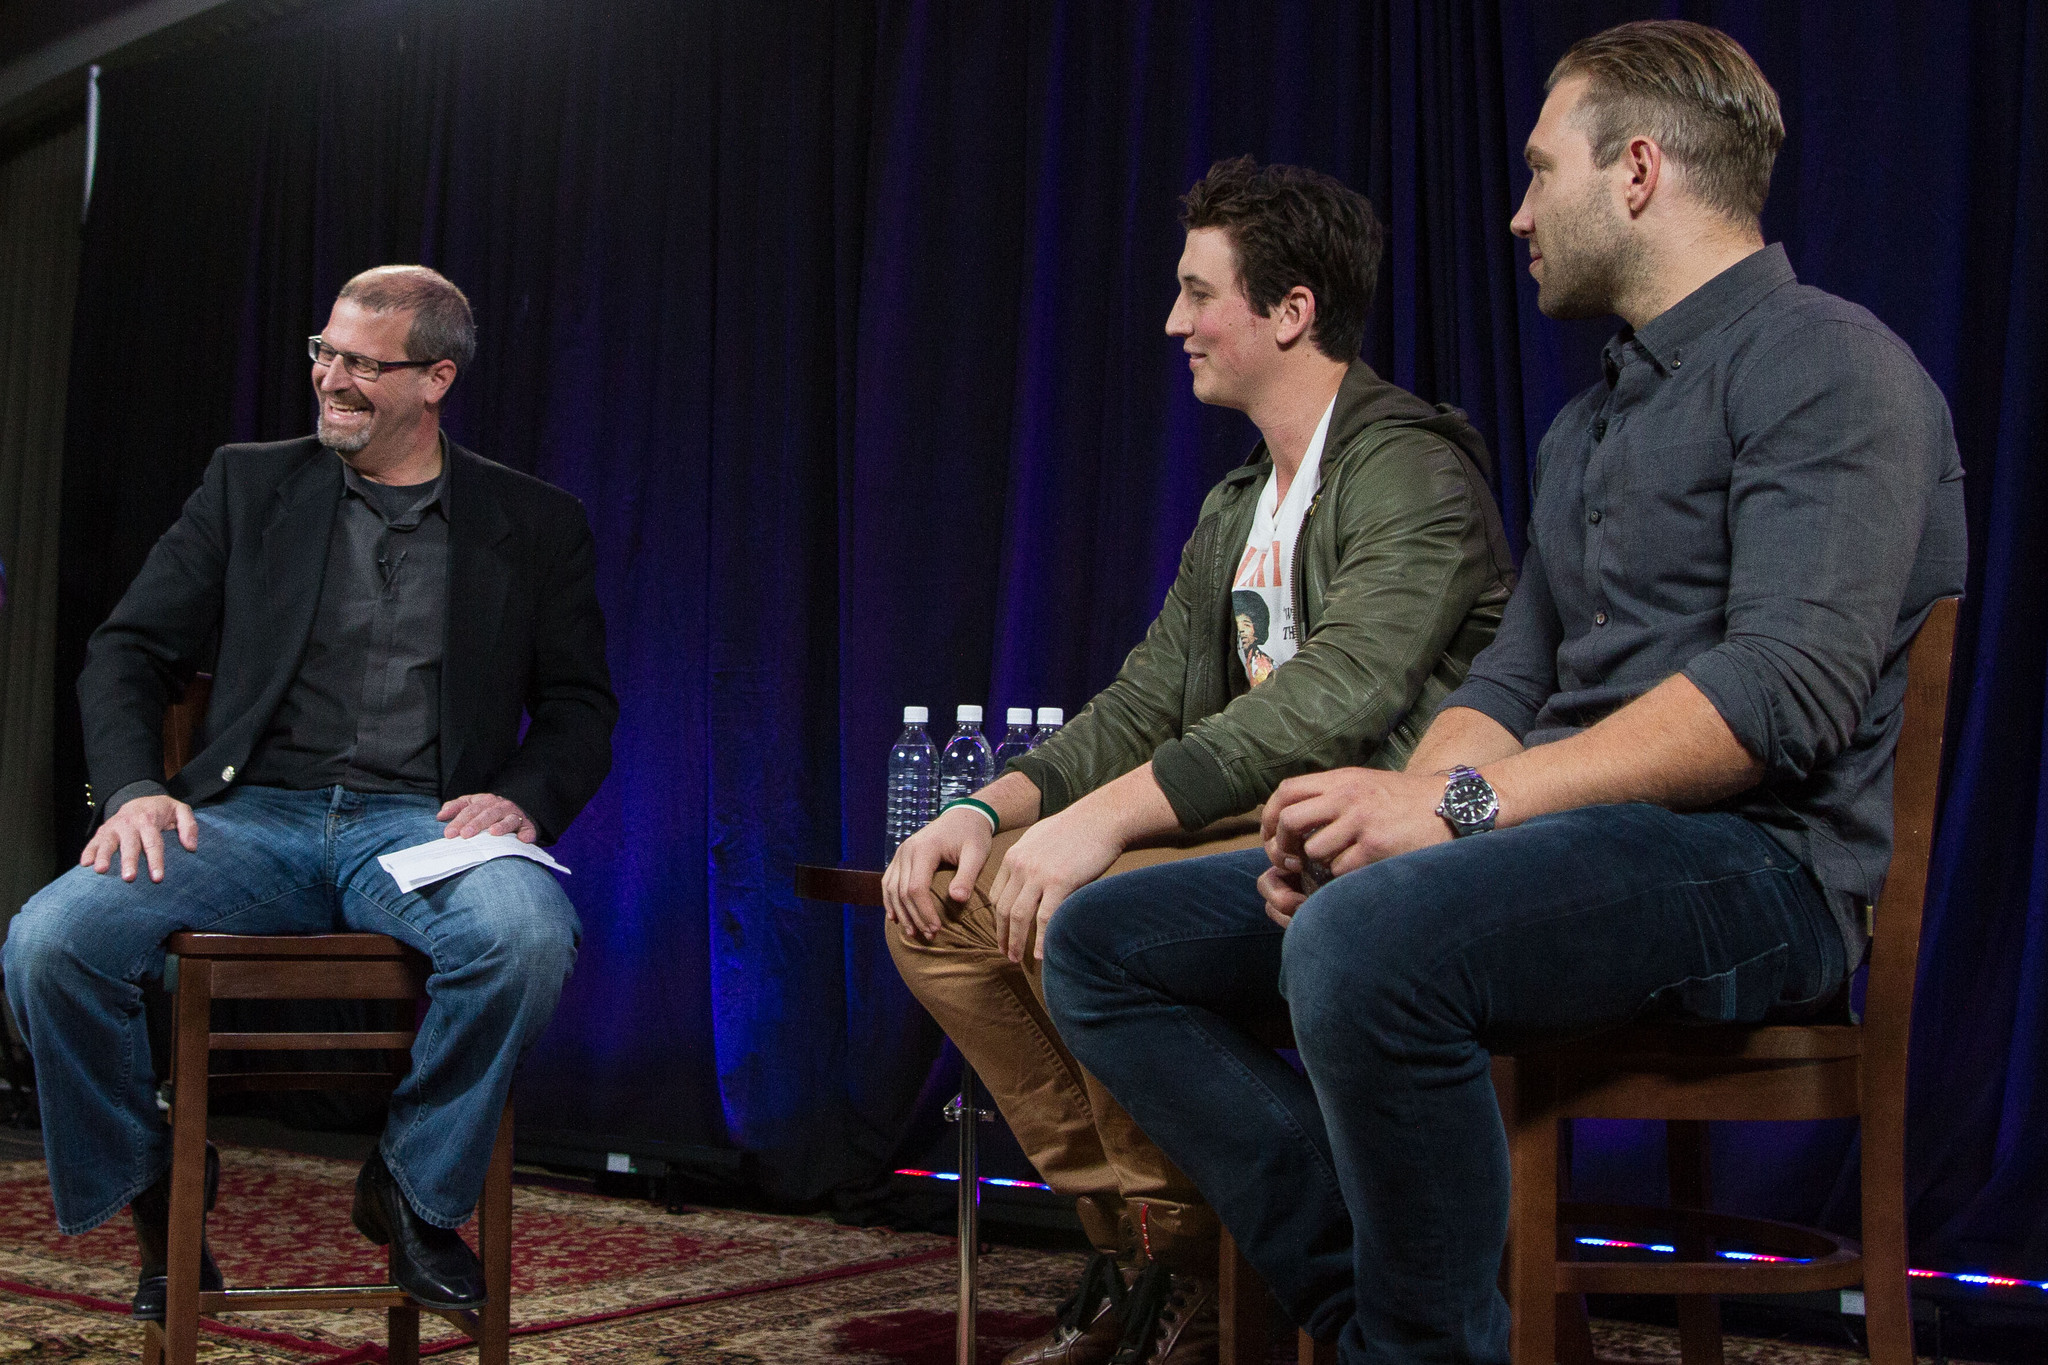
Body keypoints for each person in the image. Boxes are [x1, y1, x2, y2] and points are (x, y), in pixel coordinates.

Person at [1042, 20, 1968, 1363]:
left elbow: (1781, 694)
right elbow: (1516, 672)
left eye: (1543, 172)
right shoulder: (1586, 423)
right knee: (1104, 945)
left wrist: (1457, 810)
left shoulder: (1829, 367)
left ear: (1638, 171)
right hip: (1566, 849)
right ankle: (1388, 1316)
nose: (1519, 210)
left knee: (1365, 943)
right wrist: (1386, 812)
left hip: (1758, 870)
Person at [883, 158, 1515, 1365]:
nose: (1174, 322)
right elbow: (1140, 703)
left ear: (1290, 312)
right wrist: (989, 804)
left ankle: (1213, 1270)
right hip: (1244, 836)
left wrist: (1104, 825)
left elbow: (1338, 700)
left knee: (1086, 903)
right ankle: (1146, 1250)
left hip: (1364, 851)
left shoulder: (1409, 469)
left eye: (1196, 292)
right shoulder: (1238, 502)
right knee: (939, 911)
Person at [3, 265, 616, 1320]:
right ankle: (159, 1201)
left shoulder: (535, 522)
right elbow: (127, 651)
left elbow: (578, 708)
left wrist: (521, 798)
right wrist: (137, 790)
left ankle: (413, 1192)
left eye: (360, 366)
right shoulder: (248, 486)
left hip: (420, 827)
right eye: (322, 354)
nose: (330, 380)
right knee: (49, 945)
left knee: (525, 939)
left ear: (436, 379)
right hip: (251, 818)